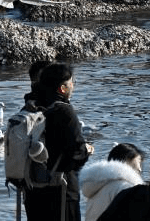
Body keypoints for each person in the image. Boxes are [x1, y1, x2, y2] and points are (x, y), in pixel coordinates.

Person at [22, 63, 93, 221]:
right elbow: (77, 155)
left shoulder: (30, 107)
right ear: (62, 88)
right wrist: (86, 150)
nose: (73, 85)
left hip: (32, 191)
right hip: (61, 193)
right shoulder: (65, 111)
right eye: (71, 82)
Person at [79, 143, 145, 221]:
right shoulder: (126, 188)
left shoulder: (97, 187)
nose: (140, 169)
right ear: (127, 160)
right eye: (138, 162)